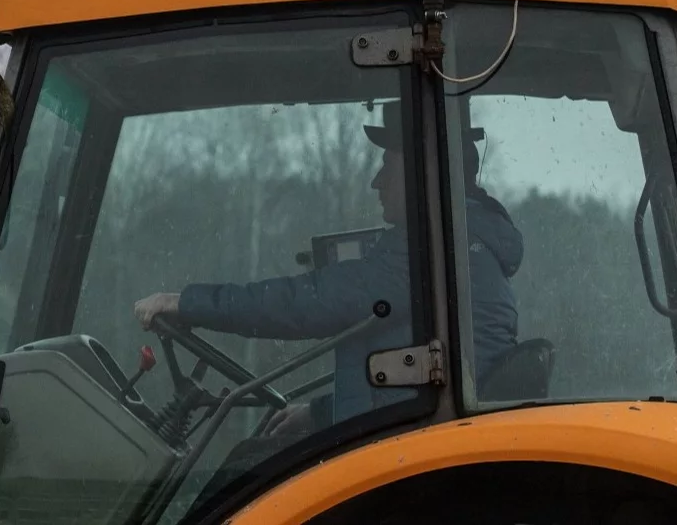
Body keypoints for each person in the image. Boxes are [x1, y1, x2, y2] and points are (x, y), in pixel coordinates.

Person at [133, 100, 524, 437]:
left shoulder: (428, 252)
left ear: (424, 172)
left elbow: (303, 304)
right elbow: (407, 385)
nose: (376, 181)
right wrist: (319, 414)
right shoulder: (463, 249)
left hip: (398, 454)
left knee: (246, 469)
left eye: (388, 166)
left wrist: (187, 303)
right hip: (398, 438)